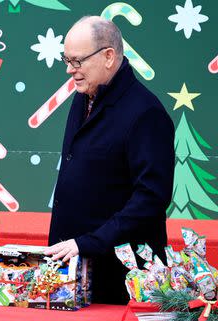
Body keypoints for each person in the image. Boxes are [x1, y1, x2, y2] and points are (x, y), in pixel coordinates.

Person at [45, 16, 175, 305]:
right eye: (66, 60)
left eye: (77, 61)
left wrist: (89, 243)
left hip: (119, 278)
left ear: (108, 56)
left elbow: (151, 200)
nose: (70, 70)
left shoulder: (146, 113)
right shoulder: (85, 95)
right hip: (71, 268)